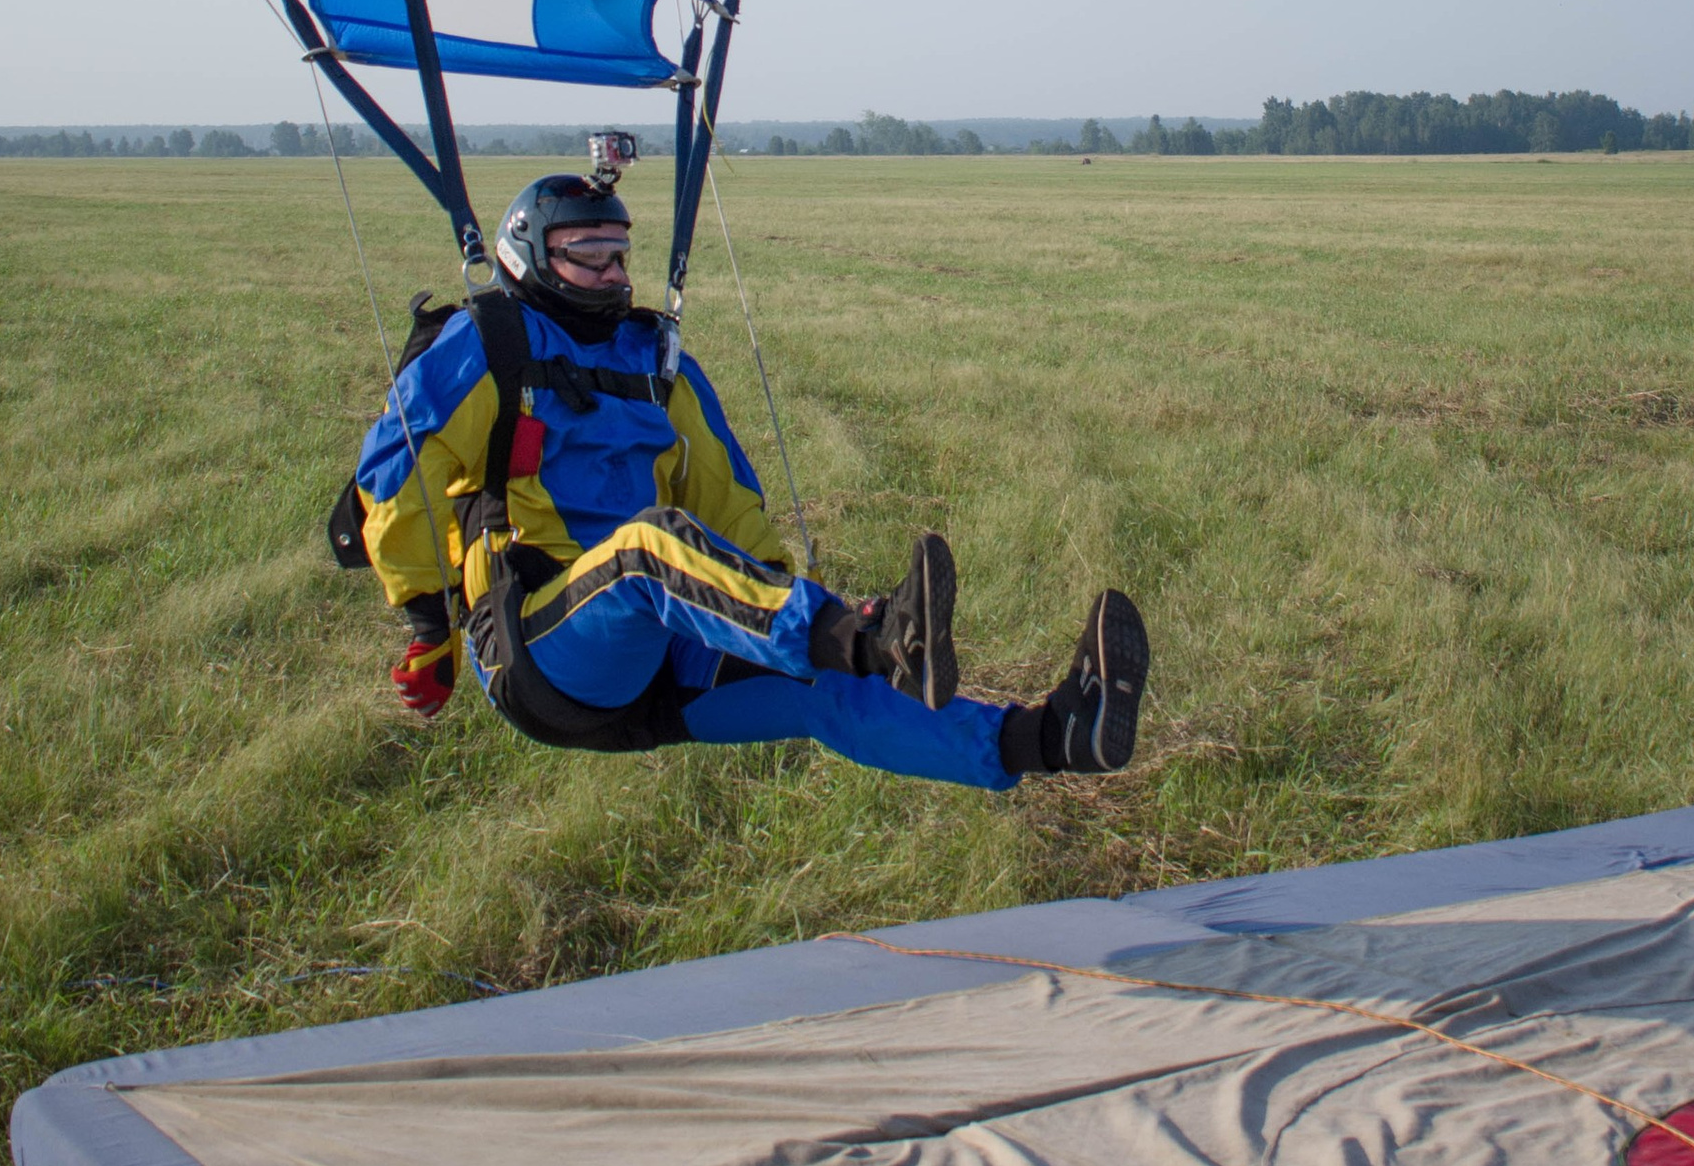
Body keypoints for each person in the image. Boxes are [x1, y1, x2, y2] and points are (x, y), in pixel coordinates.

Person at [353, 173, 1148, 789]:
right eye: (585, 254)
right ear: (528, 253)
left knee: (824, 690)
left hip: (663, 663)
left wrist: (767, 591)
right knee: (647, 550)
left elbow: (727, 497)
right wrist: (429, 629)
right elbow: (397, 476)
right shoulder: (488, 341)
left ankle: (1052, 737)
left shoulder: (656, 361)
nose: (610, 271)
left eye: (619, 252)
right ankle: (866, 637)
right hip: (544, 647)